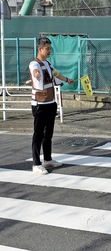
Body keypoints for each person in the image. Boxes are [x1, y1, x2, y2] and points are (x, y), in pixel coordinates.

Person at [29, 37, 74, 175]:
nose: (49, 51)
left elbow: (56, 74)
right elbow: (35, 72)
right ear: (40, 49)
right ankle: (36, 164)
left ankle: (47, 159)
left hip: (50, 103)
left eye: (50, 48)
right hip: (40, 104)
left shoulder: (48, 63)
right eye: (47, 48)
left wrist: (67, 79)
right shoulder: (34, 64)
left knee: (48, 133)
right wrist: (36, 75)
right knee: (38, 134)